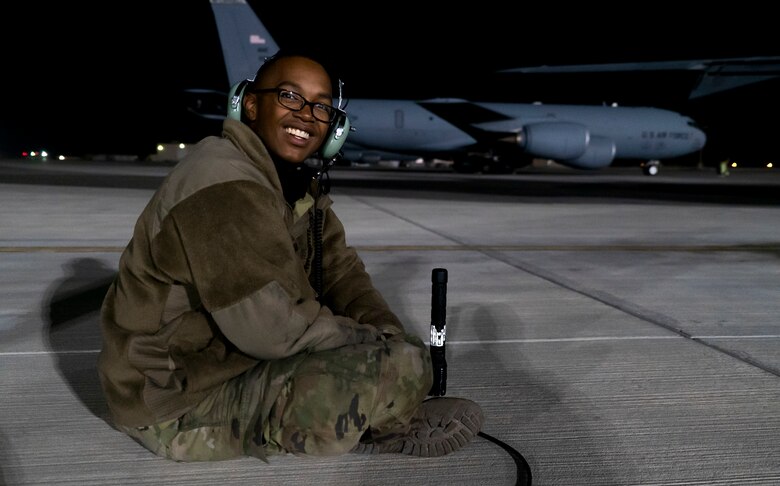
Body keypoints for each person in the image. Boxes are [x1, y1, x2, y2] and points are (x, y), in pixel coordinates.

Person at [97, 50, 484, 462]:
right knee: (382, 371)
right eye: (289, 97)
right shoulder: (220, 183)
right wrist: (371, 344)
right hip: (174, 401)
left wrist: (385, 331)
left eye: (321, 106)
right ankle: (383, 426)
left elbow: (341, 272)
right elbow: (270, 332)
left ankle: (386, 405)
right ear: (249, 104)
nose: (307, 115)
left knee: (402, 356)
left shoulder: (294, 186)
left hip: (226, 363)